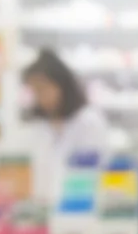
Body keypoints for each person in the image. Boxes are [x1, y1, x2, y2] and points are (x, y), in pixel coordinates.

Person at [19, 48, 109, 203]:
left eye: (43, 89)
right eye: (35, 92)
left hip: (80, 209)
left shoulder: (89, 121)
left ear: (62, 85)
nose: (40, 97)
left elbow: (97, 171)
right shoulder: (39, 126)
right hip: (44, 208)